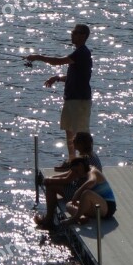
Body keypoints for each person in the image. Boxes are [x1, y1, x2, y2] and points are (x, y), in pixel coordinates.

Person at [26, 24, 92, 171]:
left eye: (75, 33)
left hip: (80, 100)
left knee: (81, 132)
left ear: (83, 36)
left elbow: (57, 61)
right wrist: (57, 78)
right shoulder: (78, 53)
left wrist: (37, 57)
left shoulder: (82, 52)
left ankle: (86, 162)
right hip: (71, 99)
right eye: (72, 32)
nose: (72, 35)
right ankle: (72, 161)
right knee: (69, 130)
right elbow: (75, 76)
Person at [34, 132, 101, 230]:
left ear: (81, 145)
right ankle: (78, 216)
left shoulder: (83, 160)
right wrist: (52, 178)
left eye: (76, 142)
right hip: (94, 192)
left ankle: (48, 220)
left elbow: (67, 179)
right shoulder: (93, 156)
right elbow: (70, 173)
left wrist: (49, 181)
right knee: (52, 182)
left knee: (51, 187)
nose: (73, 144)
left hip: (81, 193)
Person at [61, 156, 116, 227]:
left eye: (76, 171)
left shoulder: (92, 171)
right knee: (69, 205)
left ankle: (74, 219)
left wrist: (77, 193)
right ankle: (81, 218)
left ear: (81, 165)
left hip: (108, 207)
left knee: (87, 193)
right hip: (96, 207)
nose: (76, 174)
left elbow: (92, 181)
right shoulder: (84, 174)